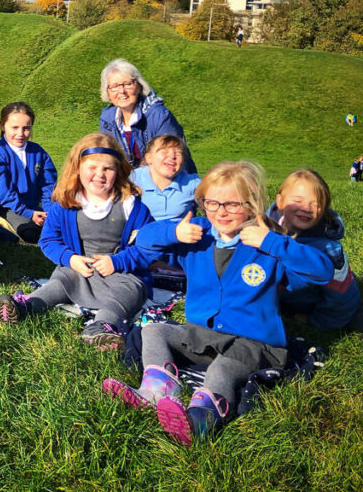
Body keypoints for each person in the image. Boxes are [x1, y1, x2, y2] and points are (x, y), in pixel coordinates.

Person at [106, 161, 333, 446]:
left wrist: (273, 243)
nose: (220, 212)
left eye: (232, 204)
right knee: (153, 330)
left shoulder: (267, 242)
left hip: (256, 344)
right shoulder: (198, 235)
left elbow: (323, 272)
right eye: (211, 202)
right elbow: (144, 241)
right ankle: (157, 391)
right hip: (205, 336)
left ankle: (200, 419)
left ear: (252, 205)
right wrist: (174, 233)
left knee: (222, 369)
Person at [0, 133, 153, 350]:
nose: (100, 175)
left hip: (120, 273)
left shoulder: (131, 206)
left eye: (108, 168)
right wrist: (71, 258)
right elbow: (48, 240)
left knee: (127, 292)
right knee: (60, 282)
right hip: (79, 269)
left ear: (119, 170)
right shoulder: (66, 205)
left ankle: (101, 327)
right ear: (78, 169)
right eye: (92, 168)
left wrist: (118, 261)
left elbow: (149, 247)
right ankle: (26, 306)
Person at [267, 169, 361, 331]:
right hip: (277, 300)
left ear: (323, 209)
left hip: (309, 305)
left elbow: (342, 295)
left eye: (315, 203)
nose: (306, 208)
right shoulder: (264, 230)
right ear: (280, 201)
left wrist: (320, 321)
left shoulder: (328, 250)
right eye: (297, 201)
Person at [98, 59, 195, 172]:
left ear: (139, 87)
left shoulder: (159, 116)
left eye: (128, 84)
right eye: (114, 86)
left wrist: (134, 182)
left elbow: (169, 159)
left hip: (170, 182)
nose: (122, 91)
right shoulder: (107, 120)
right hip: (131, 183)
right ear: (108, 92)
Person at [0, 102, 57, 244]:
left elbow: (49, 185)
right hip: (6, 208)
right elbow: (3, 194)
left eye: (26, 128)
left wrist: (48, 211)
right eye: (15, 128)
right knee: (30, 233)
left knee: (61, 224)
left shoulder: (38, 151)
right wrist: (29, 213)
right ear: (3, 126)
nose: (20, 134)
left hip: (33, 207)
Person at [130, 134, 200, 223]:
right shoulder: (132, 179)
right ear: (149, 158)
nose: (172, 156)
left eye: (178, 153)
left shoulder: (191, 182)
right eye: (164, 151)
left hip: (179, 234)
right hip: (142, 233)